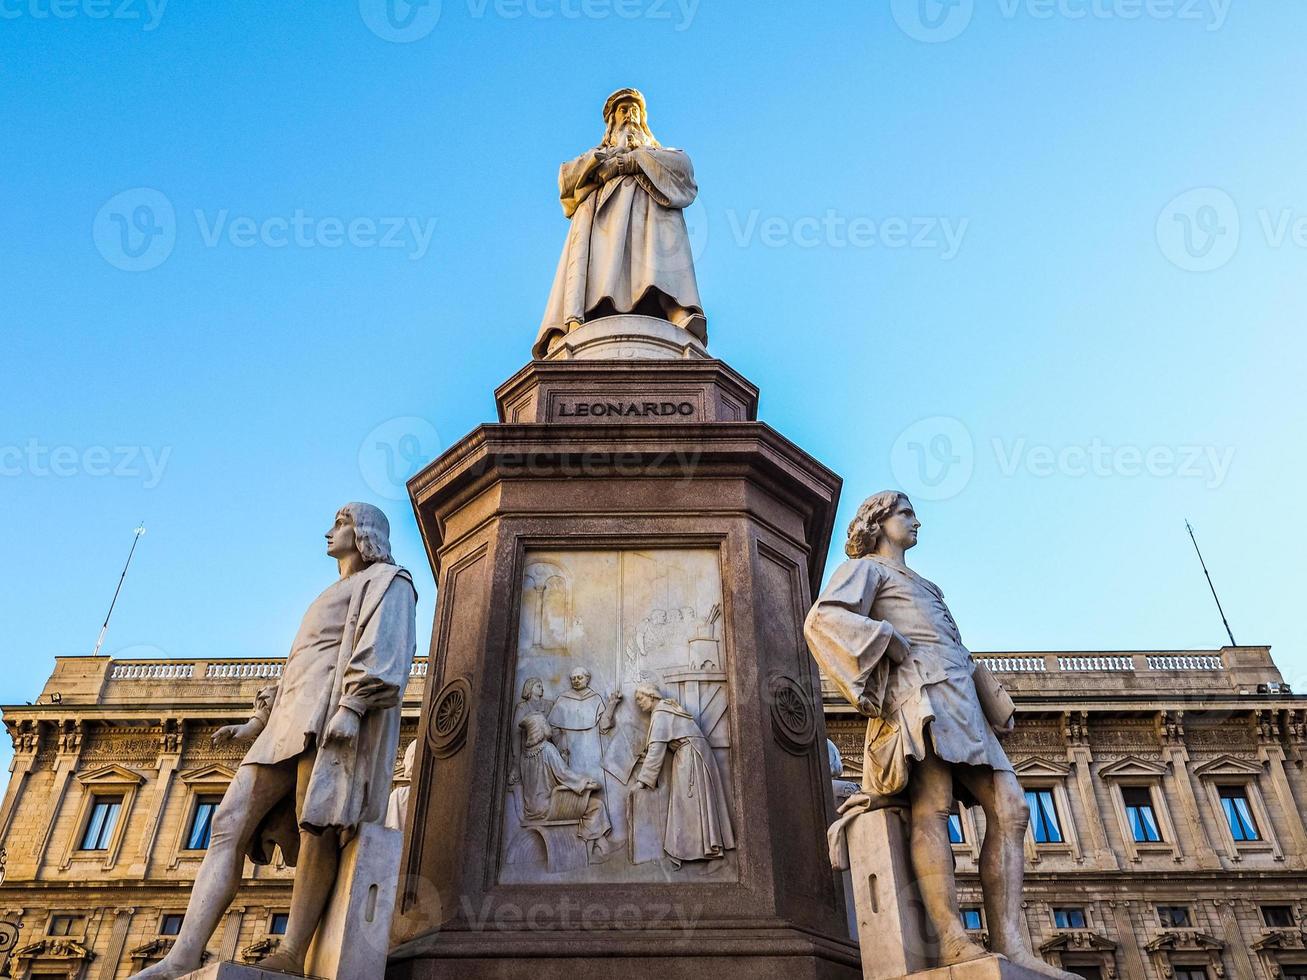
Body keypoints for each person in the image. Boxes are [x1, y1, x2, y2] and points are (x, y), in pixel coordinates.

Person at [132, 503, 417, 979]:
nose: (330, 532)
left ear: (364, 533)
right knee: (227, 823)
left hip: (329, 722)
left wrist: (352, 708)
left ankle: (293, 950)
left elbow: (386, 647)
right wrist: (258, 721)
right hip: (287, 723)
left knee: (318, 829)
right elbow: (298, 667)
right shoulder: (332, 591)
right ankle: (183, 954)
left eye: (341, 523)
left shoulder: (389, 582)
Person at [804, 491, 1076, 978]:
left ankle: (1011, 944)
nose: (916, 522)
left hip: (961, 698)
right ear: (879, 522)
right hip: (918, 694)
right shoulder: (867, 570)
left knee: (1012, 808)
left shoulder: (928, 584)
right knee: (932, 805)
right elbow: (823, 617)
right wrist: (886, 639)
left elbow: (955, 645)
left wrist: (990, 698)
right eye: (905, 514)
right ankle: (951, 937)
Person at [534, 87, 706, 358]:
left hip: (650, 214)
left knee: (666, 222)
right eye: (623, 110)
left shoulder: (658, 152)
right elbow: (566, 180)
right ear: (612, 120)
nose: (630, 115)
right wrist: (603, 167)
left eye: (635, 110)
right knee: (593, 254)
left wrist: (633, 160)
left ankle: (676, 307)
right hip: (603, 216)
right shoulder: (597, 154)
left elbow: (683, 169)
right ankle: (572, 323)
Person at [632, 683, 735, 865]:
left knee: (688, 805)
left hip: (690, 757)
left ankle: (699, 851)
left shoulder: (661, 712)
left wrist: (642, 782)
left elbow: (657, 751)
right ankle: (702, 848)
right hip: (695, 753)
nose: (639, 703)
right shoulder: (668, 708)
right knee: (694, 805)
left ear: (652, 696)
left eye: (640, 698)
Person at [517, 713, 615, 860]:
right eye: (545, 723)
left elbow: (543, 780)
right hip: (549, 806)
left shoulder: (524, 756)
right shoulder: (547, 748)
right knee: (596, 805)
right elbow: (563, 774)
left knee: (588, 805)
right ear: (540, 728)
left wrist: (561, 759)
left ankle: (601, 844)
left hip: (532, 809)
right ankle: (589, 852)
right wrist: (585, 782)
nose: (548, 726)